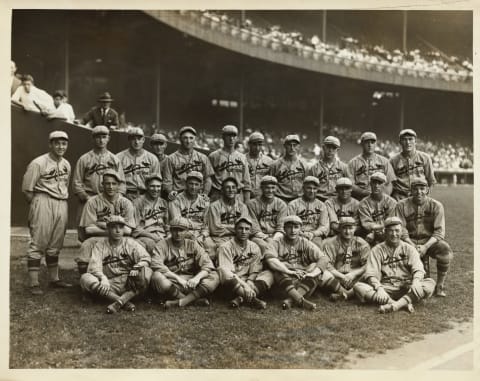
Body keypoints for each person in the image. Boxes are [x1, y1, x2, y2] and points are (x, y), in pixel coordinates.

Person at [21, 131, 72, 295]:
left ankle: (54, 279)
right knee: (38, 241)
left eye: (64, 143)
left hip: (61, 202)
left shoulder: (66, 164)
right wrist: (38, 205)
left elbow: (66, 184)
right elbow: (27, 189)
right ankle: (34, 283)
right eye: (57, 143)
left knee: (56, 243)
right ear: (50, 144)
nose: (60, 146)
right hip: (43, 200)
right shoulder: (38, 163)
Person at [353, 217, 436, 314]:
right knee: (358, 287)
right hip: (386, 288)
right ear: (385, 232)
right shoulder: (377, 250)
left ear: (402, 232)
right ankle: (402, 303)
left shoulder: (409, 249)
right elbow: (371, 274)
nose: (394, 234)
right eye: (390, 231)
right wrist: (379, 289)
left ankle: (395, 306)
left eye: (397, 231)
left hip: (406, 286)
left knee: (430, 283)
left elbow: (418, 269)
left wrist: (416, 281)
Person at [79, 215, 152, 314]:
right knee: (85, 277)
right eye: (114, 227)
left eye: (121, 227)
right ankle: (124, 301)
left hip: (129, 284)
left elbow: (146, 258)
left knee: (147, 271)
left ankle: (119, 302)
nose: (118, 231)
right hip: (109, 284)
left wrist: (136, 267)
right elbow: (94, 267)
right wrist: (103, 278)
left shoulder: (131, 243)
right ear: (108, 229)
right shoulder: (100, 245)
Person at [395, 178, 452, 297]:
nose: (419, 192)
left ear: (427, 190)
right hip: (407, 241)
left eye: (422, 188)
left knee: (444, 249)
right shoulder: (401, 205)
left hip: (429, 241)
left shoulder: (436, 205)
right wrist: (411, 245)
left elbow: (439, 232)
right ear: (411, 190)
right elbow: (401, 230)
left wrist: (425, 247)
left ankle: (440, 285)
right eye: (415, 189)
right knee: (415, 281)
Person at [266, 216, 338, 310]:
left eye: (296, 227)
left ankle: (291, 300)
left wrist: (312, 273)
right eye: (289, 227)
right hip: (284, 283)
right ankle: (300, 300)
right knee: (277, 270)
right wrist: (288, 271)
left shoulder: (305, 242)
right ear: (284, 229)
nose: (293, 230)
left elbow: (323, 258)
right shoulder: (276, 242)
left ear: (300, 229)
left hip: (303, 282)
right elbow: (270, 260)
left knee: (316, 269)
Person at [150, 217, 219, 308]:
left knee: (214, 276)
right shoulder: (162, 244)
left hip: (192, 282)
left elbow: (208, 264)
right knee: (156, 276)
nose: (178, 233)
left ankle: (181, 302)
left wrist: (196, 278)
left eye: (181, 230)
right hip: (173, 283)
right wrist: (178, 279)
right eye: (175, 230)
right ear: (170, 230)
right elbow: (156, 264)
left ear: (187, 231)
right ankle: (192, 300)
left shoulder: (193, 244)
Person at [76, 170, 136, 274]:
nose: (110, 187)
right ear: (102, 185)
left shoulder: (126, 203)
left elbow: (128, 230)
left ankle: (129, 279)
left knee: (135, 246)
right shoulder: (92, 201)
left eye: (114, 184)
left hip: (121, 239)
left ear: (119, 185)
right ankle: (85, 279)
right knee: (86, 245)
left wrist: (103, 225)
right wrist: (115, 229)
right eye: (107, 183)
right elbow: (89, 230)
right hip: (99, 238)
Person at [73, 125, 126, 238]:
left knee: (109, 233)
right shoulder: (84, 159)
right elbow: (77, 183)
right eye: (98, 137)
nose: (101, 140)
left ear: (108, 138)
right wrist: (87, 198)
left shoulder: (114, 159)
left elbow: (121, 183)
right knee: (84, 235)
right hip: (89, 198)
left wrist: (116, 199)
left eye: (104, 137)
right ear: (93, 139)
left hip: (109, 200)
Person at [217, 217, 274, 309]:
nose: (243, 231)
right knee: (222, 270)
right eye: (240, 228)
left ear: (250, 231)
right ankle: (254, 300)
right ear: (235, 230)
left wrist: (250, 281)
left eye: (247, 229)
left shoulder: (254, 246)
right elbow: (228, 272)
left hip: (248, 280)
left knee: (269, 274)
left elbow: (255, 269)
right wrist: (245, 286)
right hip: (234, 281)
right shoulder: (225, 247)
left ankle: (240, 298)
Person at [205, 177, 260, 260]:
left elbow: (245, 226)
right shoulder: (214, 206)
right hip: (220, 239)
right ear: (222, 190)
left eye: (233, 187)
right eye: (227, 187)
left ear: (236, 190)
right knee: (224, 250)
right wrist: (236, 228)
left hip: (239, 238)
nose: (231, 190)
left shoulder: (242, 207)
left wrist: (225, 227)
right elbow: (215, 229)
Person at [321, 217, 370, 301]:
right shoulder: (331, 243)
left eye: (350, 228)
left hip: (355, 277)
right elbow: (327, 264)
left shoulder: (361, 243)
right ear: (339, 229)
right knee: (322, 273)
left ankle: (347, 295)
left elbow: (367, 264)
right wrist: (342, 277)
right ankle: (347, 292)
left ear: (355, 228)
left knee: (372, 273)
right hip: (337, 277)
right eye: (344, 228)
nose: (347, 232)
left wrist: (353, 274)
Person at [163, 126, 213, 200]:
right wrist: (171, 192)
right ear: (180, 139)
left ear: (195, 139)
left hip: (198, 197)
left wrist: (205, 193)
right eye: (185, 138)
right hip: (178, 196)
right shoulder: (171, 158)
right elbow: (167, 181)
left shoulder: (203, 157)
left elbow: (208, 179)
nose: (188, 141)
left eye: (191, 138)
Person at [208, 125, 251, 202]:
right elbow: (208, 180)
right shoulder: (213, 156)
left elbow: (246, 183)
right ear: (223, 137)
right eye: (228, 135)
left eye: (234, 136)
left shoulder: (242, 157)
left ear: (236, 138)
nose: (231, 139)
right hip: (218, 195)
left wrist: (247, 202)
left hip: (237, 196)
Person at [390, 129, 436, 200]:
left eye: (410, 139)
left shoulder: (425, 157)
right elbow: (390, 183)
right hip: (399, 198)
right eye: (404, 140)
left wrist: (426, 198)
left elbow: (431, 181)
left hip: (419, 197)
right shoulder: (393, 160)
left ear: (415, 141)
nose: (408, 142)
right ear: (400, 142)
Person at [117, 127, 161, 201]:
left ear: (143, 140)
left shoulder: (152, 158)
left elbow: (157, 183)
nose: (136, 142)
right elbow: (115, 182)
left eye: (139, 139)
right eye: (133, 139)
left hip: (146, 196)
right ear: (129, 140)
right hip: (125, 196)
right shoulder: (119, 158)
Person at [348, 132, 396, 200]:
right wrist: (367, 193)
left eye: (372, 142)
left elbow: (390, 183)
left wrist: (383, 196)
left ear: (376, 144)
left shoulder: (384, 161)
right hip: (360, 199)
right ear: (361, 144)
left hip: (380, 199)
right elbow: (351, 185)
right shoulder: (353, 163)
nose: (370, 145)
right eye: (367, 142)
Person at [168, 171, 210, 245]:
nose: (193, 187)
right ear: (186, 184)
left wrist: (203, 235)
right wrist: (193, 229)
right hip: (181, 232)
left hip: (199, 233)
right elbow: (177, 222)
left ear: (201, 186)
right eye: (191, 183)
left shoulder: (205, 202)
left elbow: (206, 225)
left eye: (196, 184)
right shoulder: (176, 200)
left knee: (211, 246)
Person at [287, 176, 329, 247]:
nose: (312, 191)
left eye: (314, 188)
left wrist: (313, 234)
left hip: (314, 235)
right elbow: (290, 224)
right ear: (303, 188)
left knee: (317, 248)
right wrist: (300, 233)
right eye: (309, 188)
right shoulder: (293, 204)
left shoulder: (322, 205)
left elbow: (323, 226)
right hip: (296, 234)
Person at [306, 136, 351, 202]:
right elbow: (309, 188)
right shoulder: (314, 168)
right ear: (323, 147)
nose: (330, 150)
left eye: (333, 148)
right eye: (328, 147)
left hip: (338, 200)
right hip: (319, 199)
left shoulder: (344, 167)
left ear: (337, 150)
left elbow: (349, 186)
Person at [132, 174, 169, 254]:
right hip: (145, 235)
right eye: (152, 186)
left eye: (158, 186)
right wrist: (152, 236)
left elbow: (167, 224)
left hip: (162, 234)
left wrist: (169, 234)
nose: (156, 189)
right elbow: (136, 228)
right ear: (146, 186)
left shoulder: (163, 202)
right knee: (154, 246)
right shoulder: (137, 202)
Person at [358, 172, 397, 245]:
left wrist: (375, 232)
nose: (376, 186)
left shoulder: (391, 202)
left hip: (388, 235)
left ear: (384, 185)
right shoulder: (363, 203)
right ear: (370, 184)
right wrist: (376, 231)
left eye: (379, 183)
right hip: (370, 236)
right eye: (374, 183)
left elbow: (391, 222)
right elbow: (366, 224)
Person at [247, 175, 287, 246]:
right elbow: (254, 227)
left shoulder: (281, 204)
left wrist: (275, 239)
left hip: (277, 235)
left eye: (273, 188)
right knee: (264, 245)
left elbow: (281, 226)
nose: (270, 191)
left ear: (276, 188)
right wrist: (266, 238)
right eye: (267, 188)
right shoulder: (252, 204)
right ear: (261, 188)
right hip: (258, 236)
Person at [270, 134, 307, 203]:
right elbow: (270, 184)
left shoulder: (304, 164)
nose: (292, 148)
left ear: (298, 147)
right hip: (281, 199)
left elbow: (307, 184)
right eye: (289, 145)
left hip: (299, 199)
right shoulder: (275, 164)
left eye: (295, 145)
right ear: (284, 146)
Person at [246, 132, 273, 199]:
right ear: (249, 144)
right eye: (254, 144)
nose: (257, 148)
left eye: (260, 145)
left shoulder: (269, 161)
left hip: (263, 196)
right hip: (246, 196)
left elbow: (271, 181)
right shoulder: (242, 159)